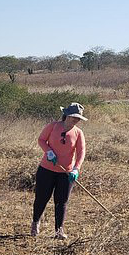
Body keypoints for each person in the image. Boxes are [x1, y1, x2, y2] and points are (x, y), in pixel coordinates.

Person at [30, 102, 87, 240]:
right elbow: (41, 140)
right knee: (42, 198)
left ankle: (59, 231)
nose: (76, 120)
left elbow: (81, 152)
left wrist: (76, 169)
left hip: (66, 173)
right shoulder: (53, 126)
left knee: (61, 201)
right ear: (66, 115)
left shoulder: (78, 133)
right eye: (74, 117)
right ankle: (35, 222)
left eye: (78, 118)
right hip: (46, 170)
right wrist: (49, 152)